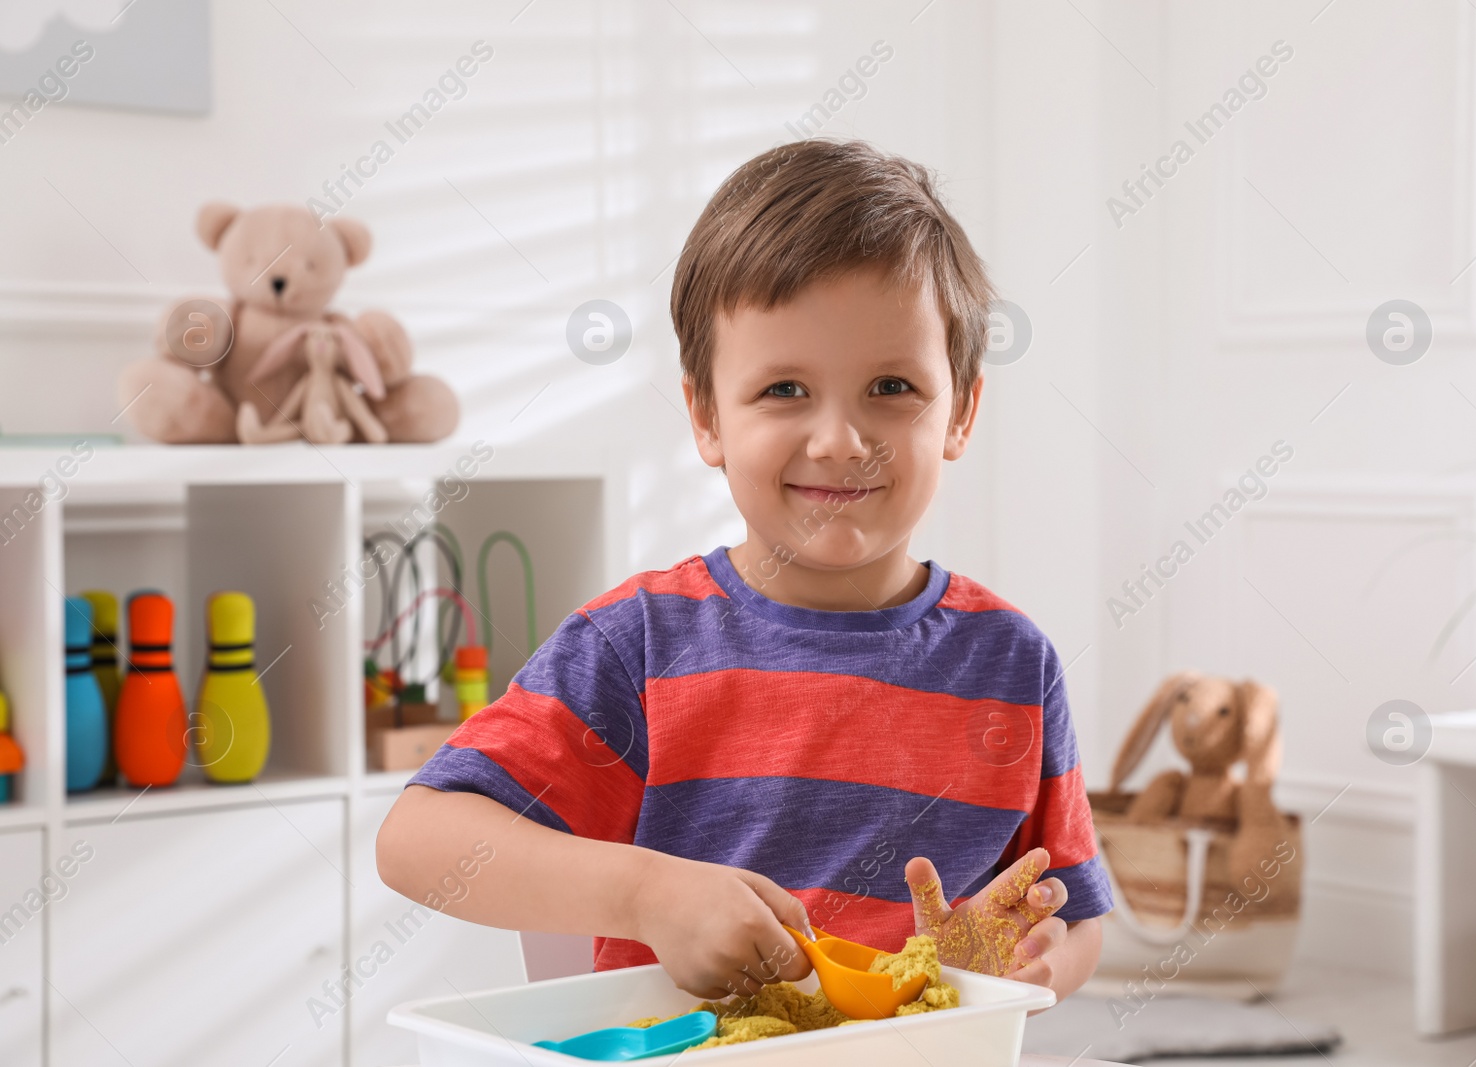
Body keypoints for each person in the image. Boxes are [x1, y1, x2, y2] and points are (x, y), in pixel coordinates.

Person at [376, 137, 1112, 1006]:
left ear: (961, 410)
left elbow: (1078, 913)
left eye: (891, 386)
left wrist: (1009, 974)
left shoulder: (1012, 662)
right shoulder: (638, 645)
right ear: (706, 414)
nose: (841, 439)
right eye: (786, 390)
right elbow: (417, 839)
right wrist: (647, 894)